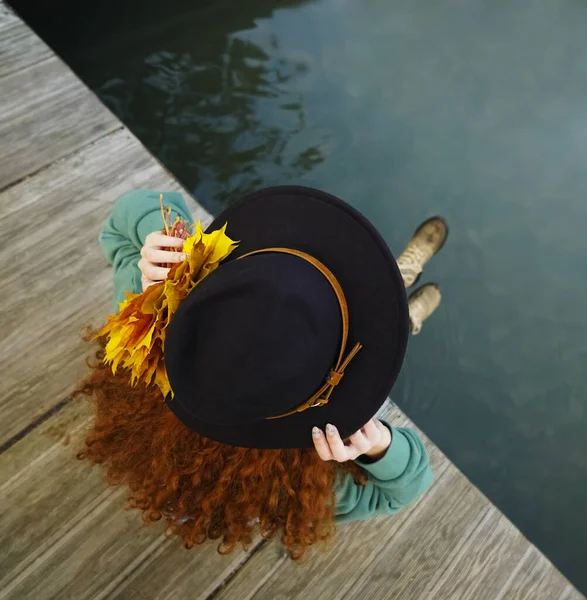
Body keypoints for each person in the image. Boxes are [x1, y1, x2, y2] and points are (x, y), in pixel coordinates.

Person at [74, 186, 448, 559]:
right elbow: (407, 488)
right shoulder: (298, 482)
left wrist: (154, 259)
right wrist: (377, 446)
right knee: (381, 324)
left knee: (376, 329)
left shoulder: (135, 348)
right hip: (336, 379)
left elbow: (124, 220)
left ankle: (402, 297)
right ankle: (404, 304)